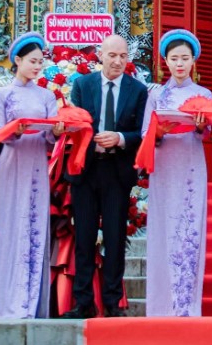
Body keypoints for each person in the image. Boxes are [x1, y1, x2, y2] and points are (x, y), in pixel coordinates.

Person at [62, 34, 148, 319]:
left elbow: (142, 132)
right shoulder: (82, 85)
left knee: (114, 236)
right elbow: (73, 123)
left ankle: (113, 301)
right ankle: (82, 301)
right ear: (100, 55)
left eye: (123, 56)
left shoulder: (137, 90)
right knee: (84, 238)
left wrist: (121, 138)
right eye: (112, 55)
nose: (118, 61)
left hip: (117, 172)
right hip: (86, 170)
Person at [140, 29, 212, 316]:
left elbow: (208, 131)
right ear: (165, 62)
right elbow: (146, 132)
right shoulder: (157, 94)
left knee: (189, 227)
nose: (180, 64)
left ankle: (187, 304)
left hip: (191, 163)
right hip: (165, 164)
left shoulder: (203, 93)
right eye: (174, 59)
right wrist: (160, 130)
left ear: (193, 61)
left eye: (185, 58)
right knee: (164, 227)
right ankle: (160, 304)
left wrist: (199, 125)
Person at [0, 32, 64, 319]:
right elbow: (0, 133)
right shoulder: (1, 95)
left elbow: (50, 139)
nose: (37, 66)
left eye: (40, 61)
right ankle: (9, 300)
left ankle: (30, 301)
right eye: (32, 61)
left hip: (36, 165)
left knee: (33, 227)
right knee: (11, 227)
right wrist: (15, 130)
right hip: (11, 164)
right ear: (17, 60)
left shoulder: (46, 95)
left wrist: (56, 132)